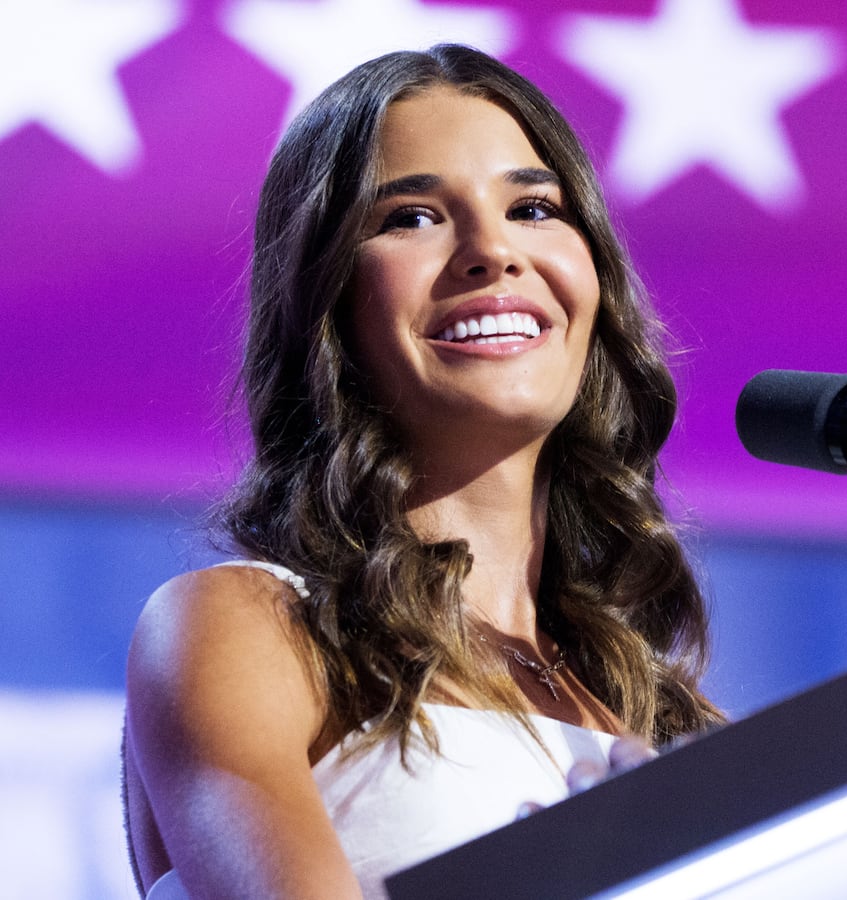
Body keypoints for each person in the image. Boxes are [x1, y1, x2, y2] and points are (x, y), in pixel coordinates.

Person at [122, 44, 724, 900]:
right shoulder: (249, 631)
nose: (493, 252)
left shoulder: (672, 722)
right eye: (410, 217)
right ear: (325, 299)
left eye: (534, 207)